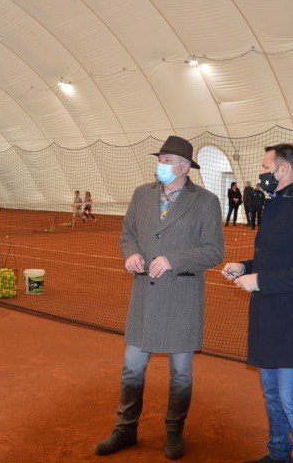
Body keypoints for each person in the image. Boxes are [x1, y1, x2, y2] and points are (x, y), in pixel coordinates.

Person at [95, 136, 224, 460]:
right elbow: (128, 234)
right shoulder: (142, 194)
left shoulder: (206, 202)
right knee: (132, 369)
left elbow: (214, 251)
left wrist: (173, 259)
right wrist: (131, 253)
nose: (161, 165)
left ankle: (174, 432)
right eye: (160, 159)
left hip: (182, 300)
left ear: (184, 167)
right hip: (145, 298)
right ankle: (125, 430)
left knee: (181, 374)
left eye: (167, 160)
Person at [221, 144, 293, 463]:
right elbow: (272, 259)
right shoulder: (274, 205)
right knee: (272, 395)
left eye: (265, 167)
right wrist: (245, 267)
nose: (261, 172)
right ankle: (279, 453)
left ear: (283, 170)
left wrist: (260, 281)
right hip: (269, 318)